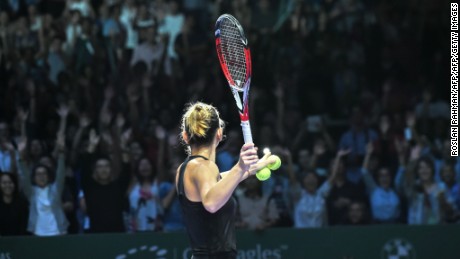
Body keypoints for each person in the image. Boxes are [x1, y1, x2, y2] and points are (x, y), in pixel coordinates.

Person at [176, 102, 274, 258]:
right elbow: (211, 203)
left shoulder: (185, 169)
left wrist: (255, 167)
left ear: (185, 136)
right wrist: (240, 167)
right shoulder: (206, 167)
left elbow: (220, 183)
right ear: (219, 134)